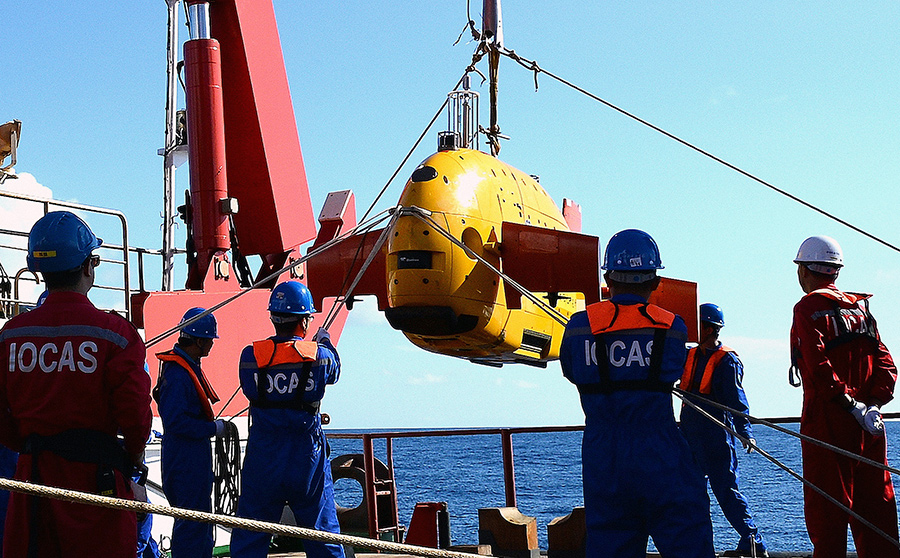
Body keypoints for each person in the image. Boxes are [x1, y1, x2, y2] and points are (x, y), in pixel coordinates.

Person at [0, 211, 152, 557]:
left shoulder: (11, 335)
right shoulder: (115, 334)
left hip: (32, 482)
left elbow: (2, 418)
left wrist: (30, 446)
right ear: (88, 268)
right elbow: (135, 417)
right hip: (97, 485)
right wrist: (129, 461)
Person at [560, 229, 714, 558]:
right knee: (687, 535)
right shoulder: (672, 327)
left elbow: (572, 371)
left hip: (604, 457)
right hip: (660, 449)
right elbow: (672, 372)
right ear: (655, 281)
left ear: (608, 279)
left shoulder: (577, 327)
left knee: (610, 542)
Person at [790, 235, 899, 558]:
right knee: (876, 511)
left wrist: (849, 407)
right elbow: (887, 367)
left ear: (805, 271)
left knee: (828, 518)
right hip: (869, 428)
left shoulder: (807, 308)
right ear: (836, 271)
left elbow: (818, 366)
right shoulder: (860, 309)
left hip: (828, 424)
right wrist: (872, 407)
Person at [230, 281, 344, 558]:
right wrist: (324, 340)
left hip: (264, 456)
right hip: (305, 457)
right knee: (321, 533)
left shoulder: (251, 356)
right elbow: (334, 370)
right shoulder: (318, 355)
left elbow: (251, 388)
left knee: (251, 532)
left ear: (273, 318)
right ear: (304, 321)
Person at [679, 303, 767, 557]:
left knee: (726, 490)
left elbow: (737, 402)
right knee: (691, 492)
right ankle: (700, 545)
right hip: (690, 433)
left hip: (716, 434)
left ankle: (752, 541)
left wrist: (745, 432)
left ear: (708, 328)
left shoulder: (727, 361)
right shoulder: (690, 355)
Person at [154, 307, 225, 558]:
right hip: (186, 459)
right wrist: (213, 428)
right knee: (191, 522)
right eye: (209, 340)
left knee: (198, 521)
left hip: (190, 457)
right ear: (198, 340)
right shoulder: (178, 374)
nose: (211, 346)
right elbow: (176, 422)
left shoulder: (184, 367)